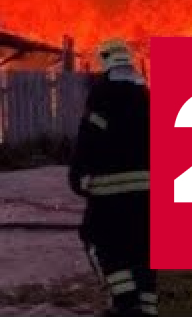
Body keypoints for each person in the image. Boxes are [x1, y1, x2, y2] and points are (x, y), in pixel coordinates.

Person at [68, 39, 155, 317]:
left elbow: (89, 138)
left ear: (105, 63)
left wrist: (77, 173)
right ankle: (148, 308)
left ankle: (125, 302)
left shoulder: (102, 95)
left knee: (99, 240)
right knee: (144, 251)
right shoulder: (147, 96)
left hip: (110, 193)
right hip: (149, 196)